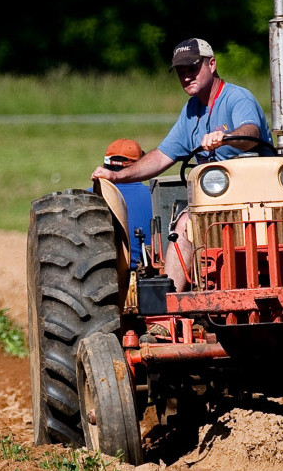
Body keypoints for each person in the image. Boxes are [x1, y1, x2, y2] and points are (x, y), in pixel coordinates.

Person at [89, 38, 272, 290]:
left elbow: (252, 133)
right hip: (215, 203)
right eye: (181, 72)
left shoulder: (237, 98)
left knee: (187, 222)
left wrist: (226, 138)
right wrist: (117, 176)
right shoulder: (192, 111)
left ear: (212, 64)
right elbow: (162, 156)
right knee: (183, 224)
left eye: (193, 69)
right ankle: (169, 311)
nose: (186, 77)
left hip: (258, 198)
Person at [92, 138, 154, 268]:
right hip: (149, 275)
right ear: (141, 167)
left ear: (104, 166)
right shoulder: (155, 196)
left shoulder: (88, 197)